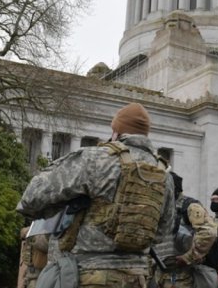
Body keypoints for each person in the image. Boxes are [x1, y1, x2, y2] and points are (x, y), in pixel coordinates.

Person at [17, 102, 176, 288]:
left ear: (116, 132)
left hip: (85, 274)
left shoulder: (95, 159)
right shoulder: (164, 175)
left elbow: (31, 197)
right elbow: (163, 230)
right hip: (137, 278)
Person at [153, 172, 218, 288]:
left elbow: (209, 232)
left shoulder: (189, 206)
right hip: (160, 273)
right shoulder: (164, 207)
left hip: (179, 275)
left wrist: (188, 257)